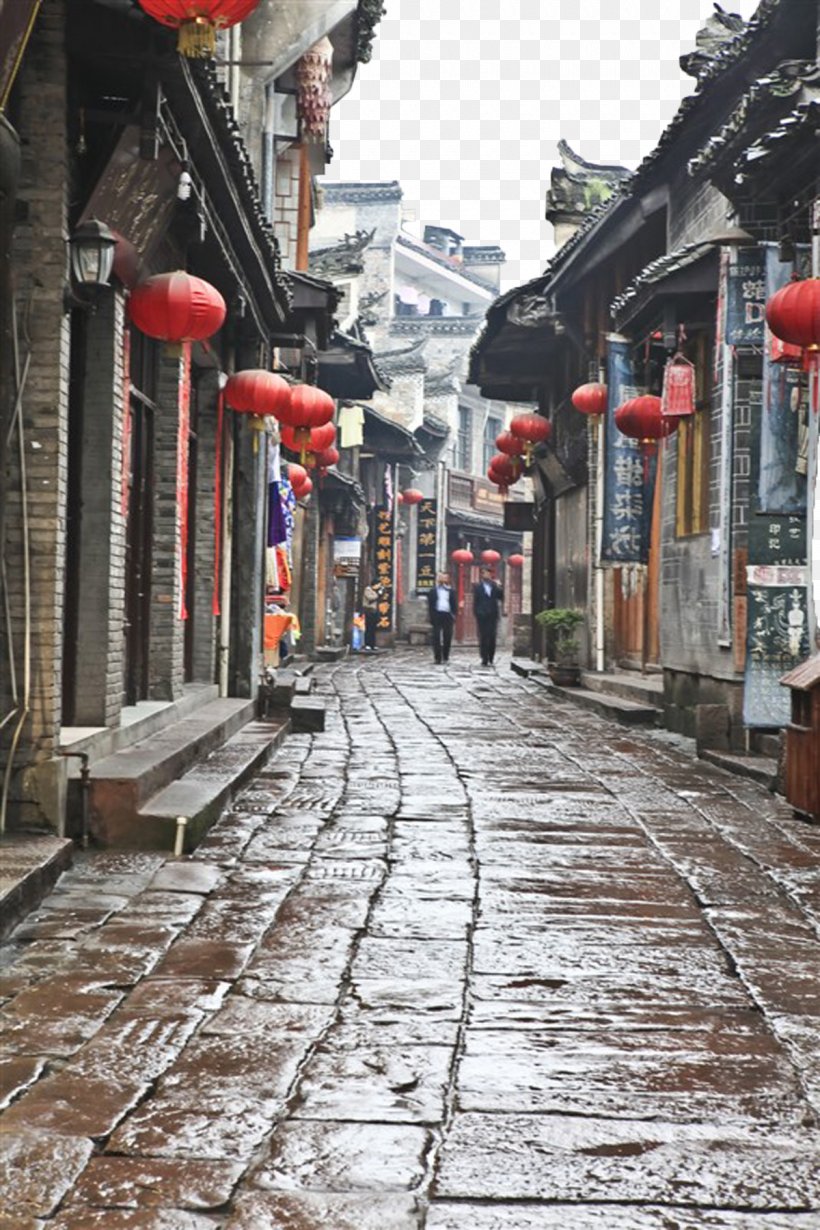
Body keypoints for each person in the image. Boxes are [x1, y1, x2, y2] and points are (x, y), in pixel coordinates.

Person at [473, 565, 504, 666]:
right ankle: (484, 657)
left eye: (487, 572)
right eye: (483, 573)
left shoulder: (494, 586)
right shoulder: (478, 587)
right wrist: (477, 613)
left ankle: (491, 656)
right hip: (482, 615)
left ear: (490, 574)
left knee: (492, 636)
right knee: (483, 637)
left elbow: (501, 597)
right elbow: (475, 602)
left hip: (492, 614)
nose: (485, 574)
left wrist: (500, 587)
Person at [427, 571, 457, 664]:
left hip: (447, 615)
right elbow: (430, 605)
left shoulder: (451, 591)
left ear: (447, 579)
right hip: (437, 614)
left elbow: (454, 604)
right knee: (436, 636)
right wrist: (431, 616)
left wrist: (453, 614)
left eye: (444, 577)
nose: (442, 579)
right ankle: (437, 657)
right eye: (440, 577)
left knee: (447, 636)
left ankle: (445, 655)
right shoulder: (433, 591)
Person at [362, 581, 382, 652]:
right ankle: (367, 644)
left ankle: (373, 644)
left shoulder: (375, 591)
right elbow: (370, 598)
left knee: (373, 629)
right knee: (368, 628)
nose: (379, 586)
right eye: (378, 585)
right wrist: (378, 594)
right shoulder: (368, 590)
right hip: (369, 611)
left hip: (374, 611)